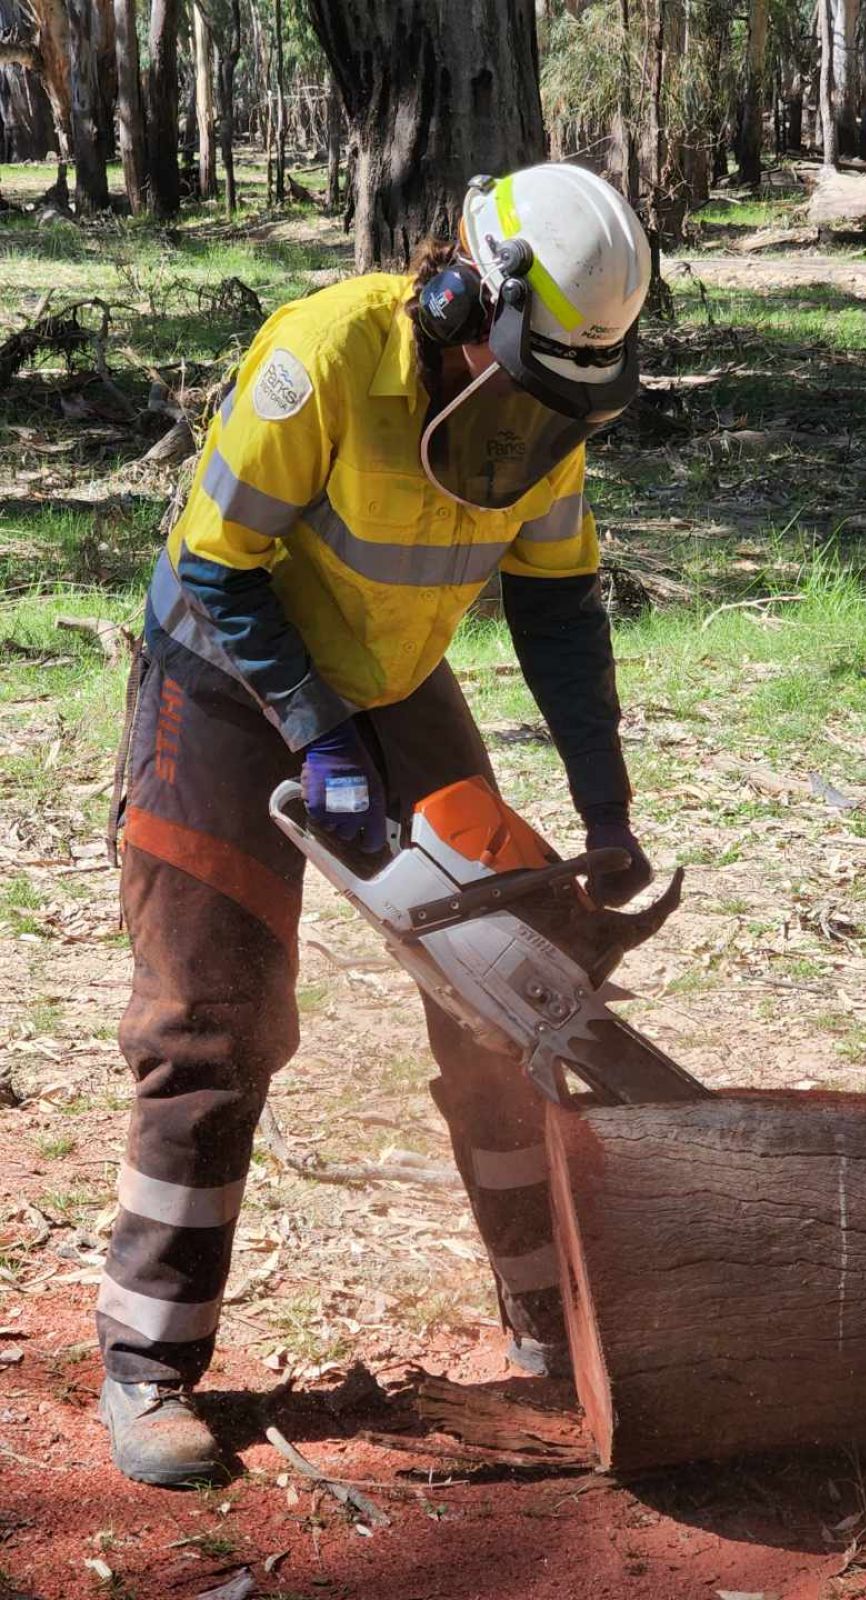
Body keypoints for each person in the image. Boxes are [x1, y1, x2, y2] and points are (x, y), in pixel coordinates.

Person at [96, 163, 653, 1486]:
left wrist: (604, 809)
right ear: (457, 291)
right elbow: (214, 565)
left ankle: (548, 1324)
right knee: (213, 1016)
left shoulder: (545, 412)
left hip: (396, 681)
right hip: (229, 675)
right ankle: (149, 1362)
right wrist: (315, 732)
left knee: (511, 995)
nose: (534, 413)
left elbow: (562, 611)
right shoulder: (323, 357)